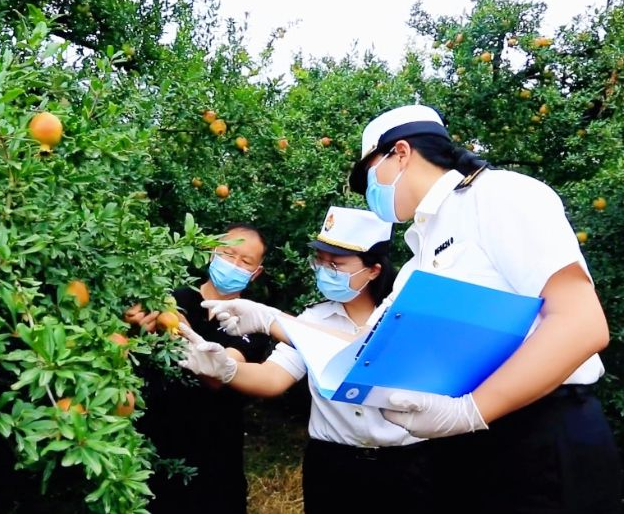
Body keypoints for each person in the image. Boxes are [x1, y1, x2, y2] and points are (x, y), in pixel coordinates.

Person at [196, 104, 623, 513]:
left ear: (400, 153)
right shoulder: (417, 259)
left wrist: (471, 410)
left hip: (538, 440)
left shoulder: (497, 196)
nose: (369, 197)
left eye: (367, 180)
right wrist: (270, 323)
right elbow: (364, 353)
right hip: (464, 450)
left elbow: (581, 324)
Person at [180, 207, 437, 513]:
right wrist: (228, 369)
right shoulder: (313, 318)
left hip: (406, 464)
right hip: (333, 464)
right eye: (321, 260)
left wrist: (275, 321)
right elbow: (273, 377)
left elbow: (368, 355)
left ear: (373, 270)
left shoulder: (405, 316)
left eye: (337, 264)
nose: (325, 270)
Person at [129, 223, 271, 514]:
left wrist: (174, 325)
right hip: (156, 445)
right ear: (211, 253)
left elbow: (218, 375)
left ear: (255, 273)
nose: (234, 264)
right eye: (228, 254)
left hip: (215, 455)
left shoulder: (254, 322)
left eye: (245, 261)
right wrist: (134, 326)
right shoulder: (173, 297)